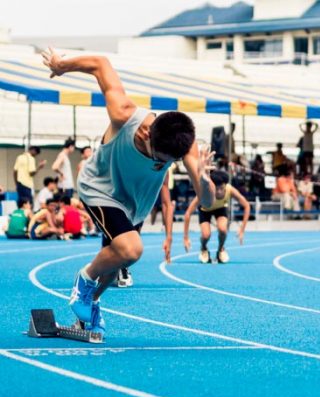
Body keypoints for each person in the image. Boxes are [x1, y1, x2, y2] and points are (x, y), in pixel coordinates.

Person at [42, 47, 215, 339]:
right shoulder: (124, 114)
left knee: (119, 258)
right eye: (160, 159)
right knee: (131, 248)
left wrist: (204, 178)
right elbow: (100, 62)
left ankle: (91, 304)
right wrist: (61, 64)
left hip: (134, 203)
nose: (163, 165)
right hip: (99, 187)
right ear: (147, 134)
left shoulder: (184, 146)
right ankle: (83, 280)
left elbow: (207, 203)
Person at [184, 170, 250, 264]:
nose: (219, 192)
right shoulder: (204, 191)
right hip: (205, 209)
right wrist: (186, 237)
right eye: (216, 188)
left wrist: (242, 230)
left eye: (221, 188)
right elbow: (187, 213)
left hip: (220, 208)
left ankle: (220, 250)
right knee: (206, 235)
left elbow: (246, 205)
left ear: (225, 186)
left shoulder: (230, 189)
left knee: (223, 229)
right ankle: (203, 248)